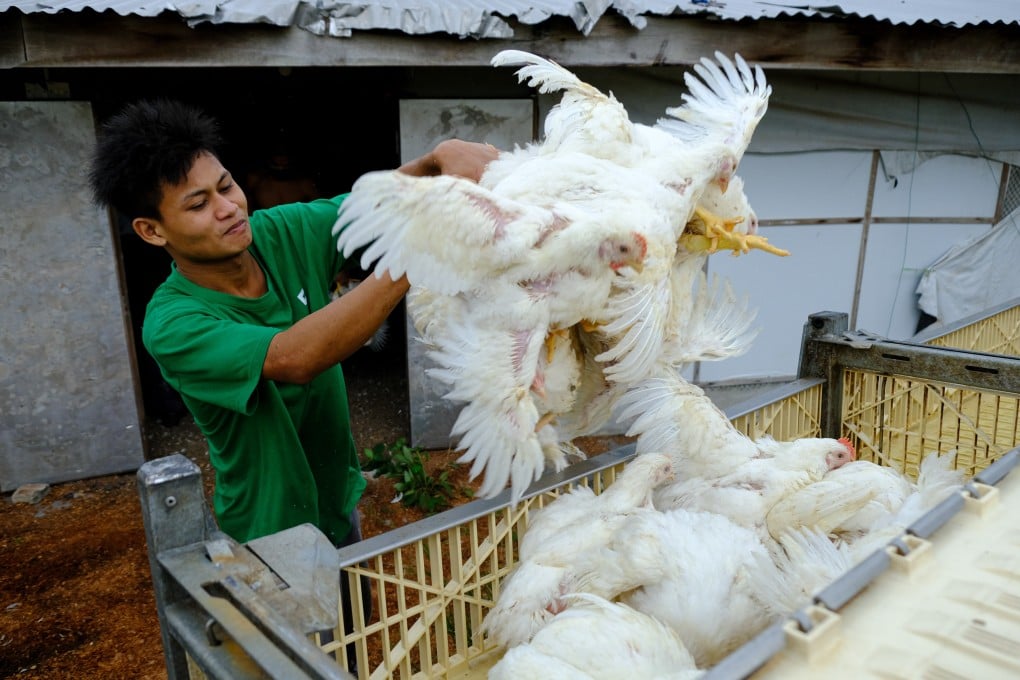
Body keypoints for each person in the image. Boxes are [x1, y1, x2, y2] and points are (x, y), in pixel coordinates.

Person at [88, 98, 496, 668]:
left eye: (226, 185)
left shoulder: (278, 232)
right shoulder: (175, 323)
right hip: (269, 532)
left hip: (336, 499)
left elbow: (365, 206)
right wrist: (419, 248)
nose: (229, 208)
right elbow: (295, 356)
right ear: (152, 230)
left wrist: (432, 162)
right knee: (302, 662)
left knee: (350, 642)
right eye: (198, 204)